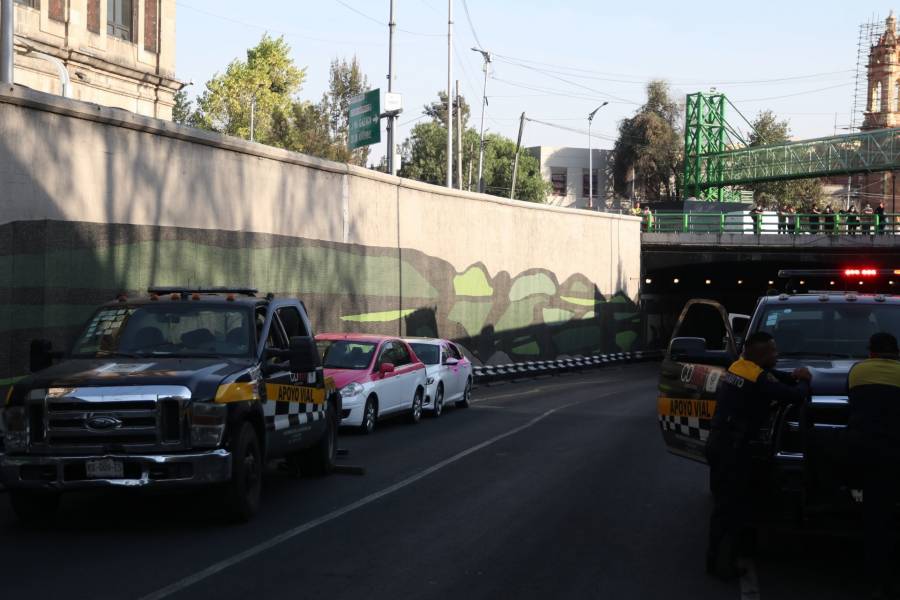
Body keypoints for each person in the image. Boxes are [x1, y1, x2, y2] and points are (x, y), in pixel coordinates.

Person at [706, 332, 812, 579]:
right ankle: (722, 565)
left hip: (721, 443)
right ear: (759, 355)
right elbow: (795, 395)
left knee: (727, 505)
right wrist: (804, 380)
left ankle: (720, 558)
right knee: (730, 508)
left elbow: (771, 378)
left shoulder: (739, 367)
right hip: (732, 449)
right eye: (771, 352)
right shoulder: (758, 378)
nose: (776, 355)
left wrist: (791, 376)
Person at [847, 333, 900, 600]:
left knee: (875, 519)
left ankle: (877, 580)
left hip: (867, 454)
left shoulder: (858, 372)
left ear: (870, 352)